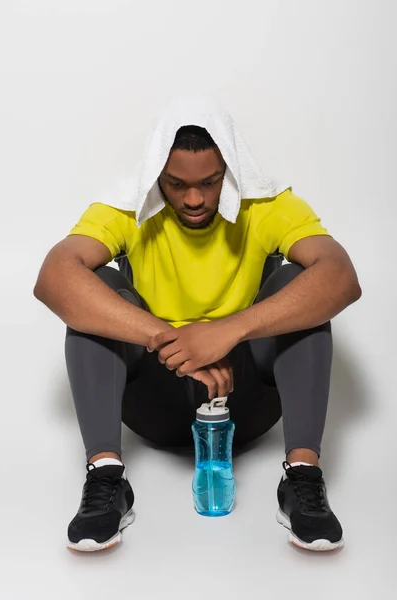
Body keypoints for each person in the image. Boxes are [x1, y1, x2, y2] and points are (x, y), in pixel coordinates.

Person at [33, 95, 362, 554]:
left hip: (243, 399)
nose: (193, 198)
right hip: (155, 399)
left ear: (229, 171)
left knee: (300, 282)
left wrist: (228, 331)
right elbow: (53, 277)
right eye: (176, 184)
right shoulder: (128, 208)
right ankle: (105, 478)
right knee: (95, 287)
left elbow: (341, 277)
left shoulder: (264, 205)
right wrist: (170, 341)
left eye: (209, 183)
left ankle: (302, 478)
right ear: (156, 177)